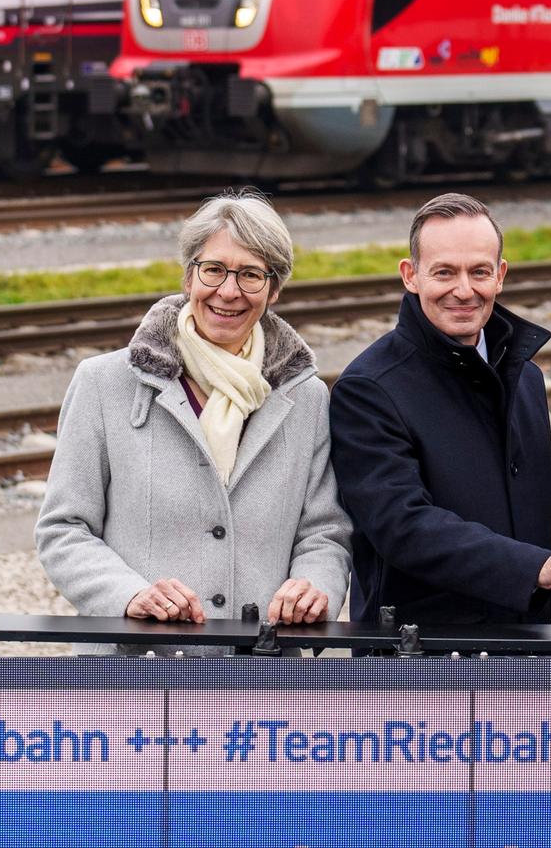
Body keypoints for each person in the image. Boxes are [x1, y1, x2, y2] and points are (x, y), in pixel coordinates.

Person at [36, 190, 350, 638]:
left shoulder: (306, 398)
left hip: (262, 677)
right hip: (136, 676)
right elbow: (62, 529)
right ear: (188, 278)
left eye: (251, 275)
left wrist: (315, 586)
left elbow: (325, 532)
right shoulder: (103, 383)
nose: (228, 291)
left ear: (274, 289)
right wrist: (128, 596)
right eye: (214, 269)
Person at [329, 193, 551, 623]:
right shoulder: (369, 388)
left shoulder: (527, 378)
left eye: (479, 272)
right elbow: (403, 526)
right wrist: (537, 568)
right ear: (410, 275)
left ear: (500, 276)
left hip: (523, 648)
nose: (464, 290)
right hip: (417, 659)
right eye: (445, 272)